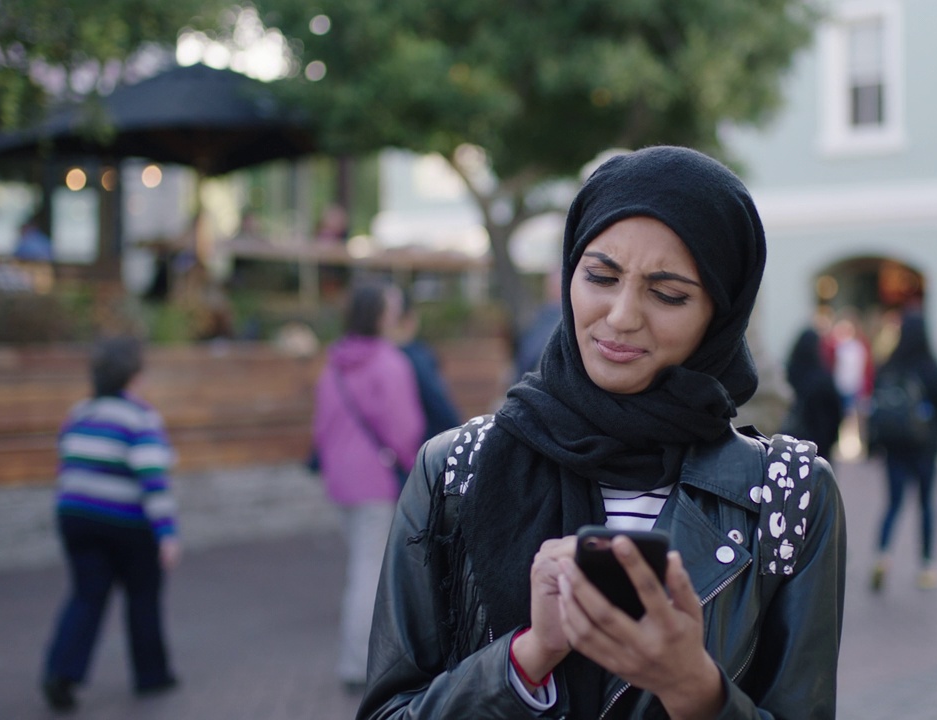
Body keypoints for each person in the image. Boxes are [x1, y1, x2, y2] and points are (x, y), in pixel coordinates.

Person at [359, 146, 846, 719]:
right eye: (600, 276)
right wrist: (527, 656)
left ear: (721, 313)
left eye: (668, 294)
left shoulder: (789, 496)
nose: (620, 315)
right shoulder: (454, 470)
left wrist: (693, 687)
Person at [41, 336, 181, 712]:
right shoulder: (140, 416)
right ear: (133, 377)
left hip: (74, 516)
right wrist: (167, 533)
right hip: (126, 522)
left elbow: (65, 464)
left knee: (87, 596)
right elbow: (153, 478)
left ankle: (61, 673)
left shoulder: (80, 412)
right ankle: (152, 675)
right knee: (143, 596)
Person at [313, 283, 426, 693]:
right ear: (380, 316)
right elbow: (405, 429)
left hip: (341, 481)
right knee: (369, 572)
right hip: (377, 481)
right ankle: (358, 663)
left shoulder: (334, 363)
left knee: (361, 565)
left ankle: (359, 658)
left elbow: (321, 428)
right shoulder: (389, 363)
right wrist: (414, 467)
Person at [866, 312, 937, 592]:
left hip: (894, 447)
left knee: (893, 504)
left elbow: (875, 408)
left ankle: (882, 557)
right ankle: (927, 565)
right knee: (926, 504)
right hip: (924, 448)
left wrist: (872, 445)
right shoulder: (933, 369)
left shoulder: (889, 367)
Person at [387, 284, 462, 443]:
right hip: (419, 449)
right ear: (410, 318)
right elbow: (440, 407)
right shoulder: (416, 357)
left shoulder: (372, 358)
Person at [783, 306, 845, 461]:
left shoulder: (787, 374)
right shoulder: (823, 378)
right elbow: (836, 412)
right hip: (820, 447)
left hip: (790, 445)